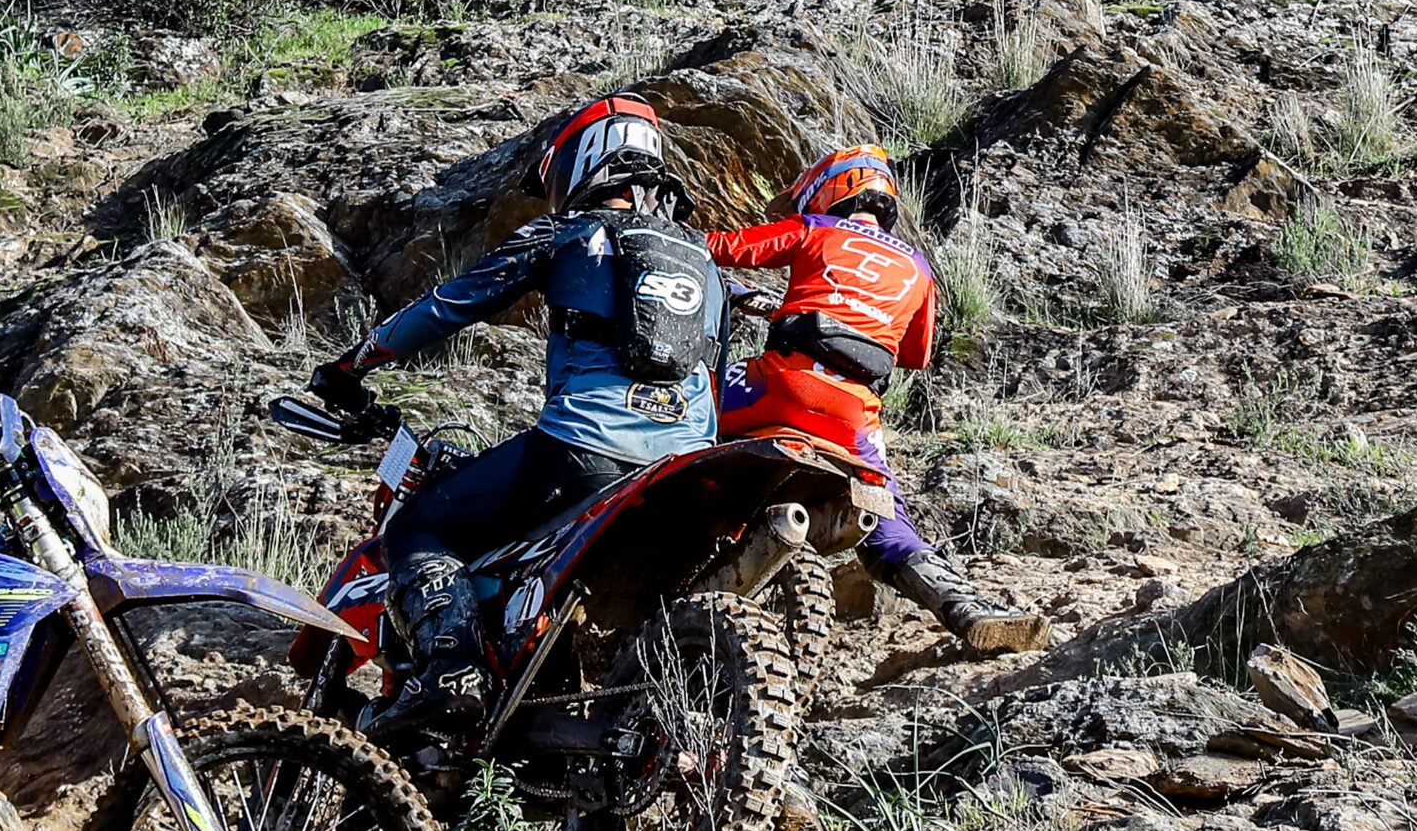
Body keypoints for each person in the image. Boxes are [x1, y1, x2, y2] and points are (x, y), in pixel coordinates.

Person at [306, 98, 726, 729]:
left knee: (415, 530)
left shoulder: (570, 232)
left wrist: (352, 365)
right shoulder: (705, 260)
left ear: (583, 161)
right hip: (687, 463)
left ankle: (452, 672)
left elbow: (448, 306)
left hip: (585, 448)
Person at [706, 150, 1036, 649]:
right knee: (888, 519)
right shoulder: (918, 267)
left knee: (677, 403)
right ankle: (967, 609)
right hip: (854, 417)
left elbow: (718, 247)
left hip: (780, 384)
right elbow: (914, 354)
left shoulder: (813, 227)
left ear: (827, 189)